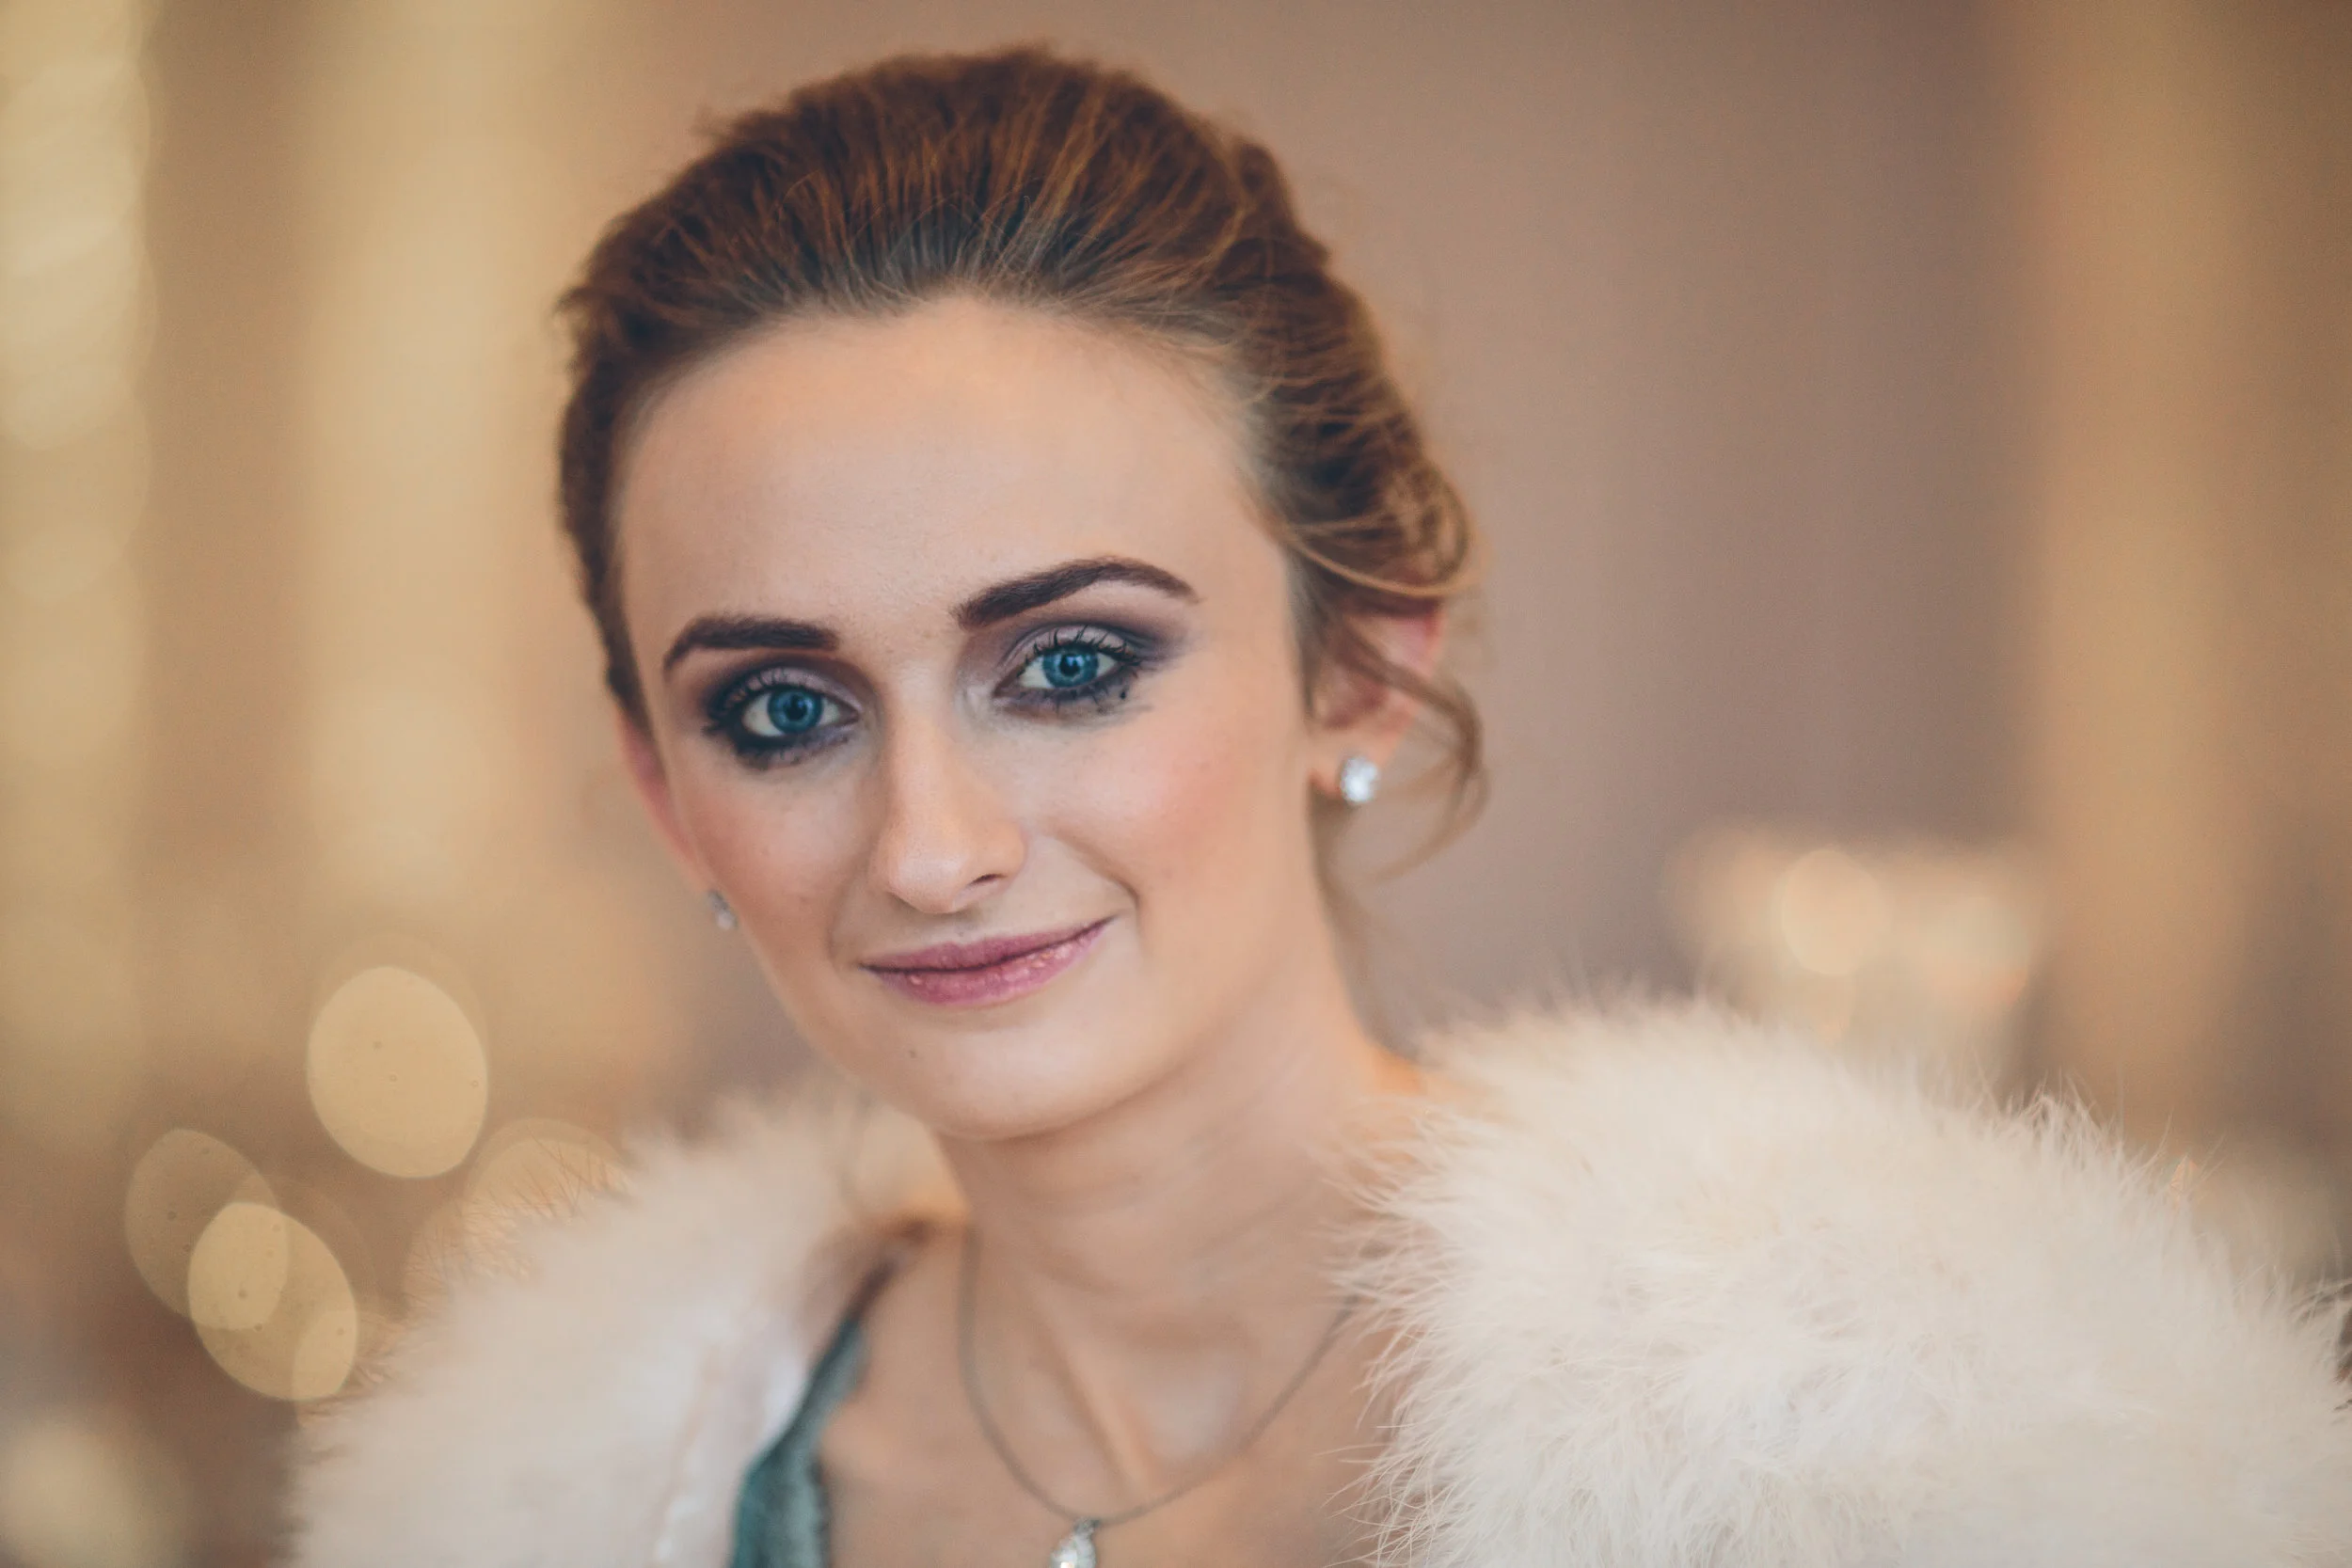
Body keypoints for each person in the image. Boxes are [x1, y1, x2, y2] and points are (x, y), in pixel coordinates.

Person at [283, 46, 2352, 1568]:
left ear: (1357, 661)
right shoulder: (556, 1498)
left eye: (1070, 663)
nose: (929, 840)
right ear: (664, 791)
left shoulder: (1899, 1453)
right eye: (783, 708)